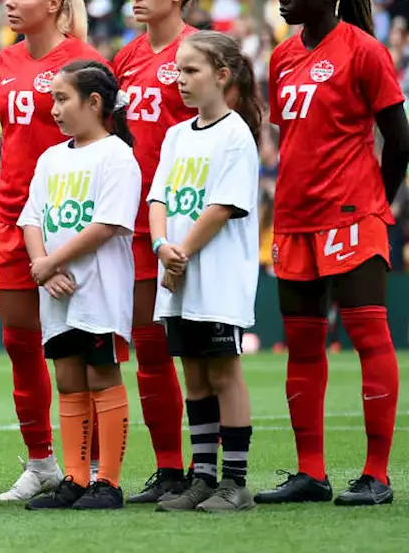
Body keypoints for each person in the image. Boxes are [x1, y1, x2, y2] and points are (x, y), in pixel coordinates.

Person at [256, 0, 406, 507]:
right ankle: (310, 473)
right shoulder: (281, 56)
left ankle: (377, 474)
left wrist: (375, 205)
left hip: (352, 216)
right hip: (295, 221)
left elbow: (401, 141)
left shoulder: (365, 51)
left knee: (370, 337)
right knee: (302, 347)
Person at [0, 0, 105, 503]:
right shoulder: (3, 62)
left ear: (54, 3)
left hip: (70, 220)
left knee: (82, 347)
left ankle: (95, 468)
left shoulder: (84, 60)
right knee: (20, 345)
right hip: (14, 218)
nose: (10, 2)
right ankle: (41, 463)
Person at [19, 60, 140, 511]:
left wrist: (50, 262)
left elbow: (108, 223)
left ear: (94, 103)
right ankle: (74, 476)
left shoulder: (116, 155)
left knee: (101, 374)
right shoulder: (51, 157)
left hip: (97, 288)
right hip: (55, 291)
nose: (53, 108)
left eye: (62, 98)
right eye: (52, 98)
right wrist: (42, 266)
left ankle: (107, 481)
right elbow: (32, 218)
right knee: (68, 380)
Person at [150, 30, 261, 513]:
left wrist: (180, 254)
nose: (181, 79)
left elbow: (221, 207)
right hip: (177, 275)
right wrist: (161, 246)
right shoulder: (176, 135)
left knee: (223, 373)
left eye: (191, 70)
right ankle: (203, 478)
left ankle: (235, 483)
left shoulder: (236, 134)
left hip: (214, 277)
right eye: (177, 70)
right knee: (193, 375)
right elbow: (158, 197)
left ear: (222, 75)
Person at [110, 0, 199, 503]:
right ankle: (170, 468)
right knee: (149, 352)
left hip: (188, 224)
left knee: (202, 352)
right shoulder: (126, 58)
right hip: (137, 224)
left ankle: (212, 469)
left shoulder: (201, 52)